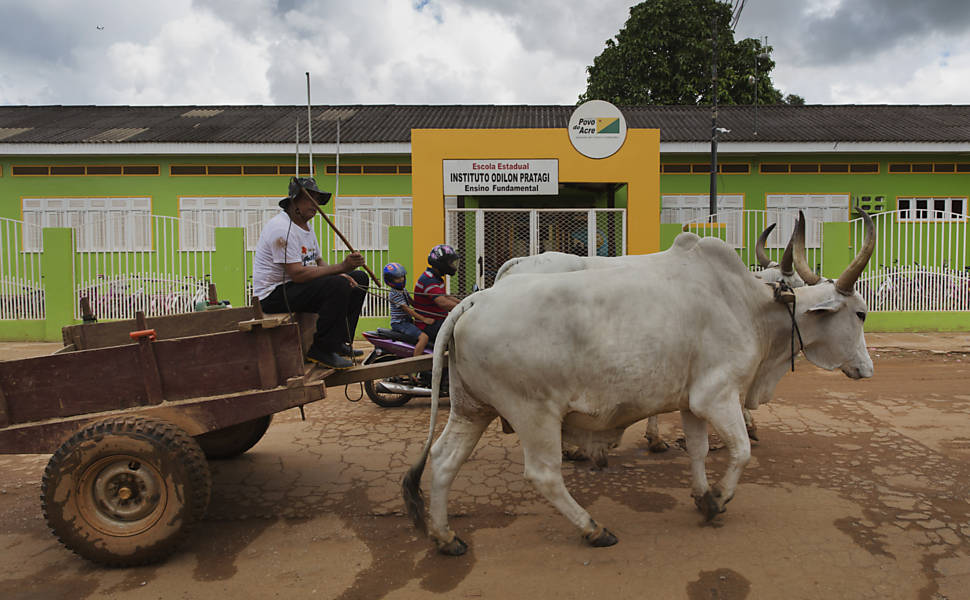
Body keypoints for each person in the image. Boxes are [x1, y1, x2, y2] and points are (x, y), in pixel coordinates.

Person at [253, 176, 367, 370]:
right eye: (310, 199)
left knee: (358, 280)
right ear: (294, 201)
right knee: (338, 284)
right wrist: (340, 268)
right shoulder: (282, 229)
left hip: (296, 287)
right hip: (274, 294)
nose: (316, 205)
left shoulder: (306, 227)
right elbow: (297, 274)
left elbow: (319, 261)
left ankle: (339, 342)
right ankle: (321, 350)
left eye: (318, 201)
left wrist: (342, 272)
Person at [412, 244, 461, 355]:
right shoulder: (428, 279)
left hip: (436, 321)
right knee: (461, 333)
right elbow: (443, 303)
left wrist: (466, 303)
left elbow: (446, 297)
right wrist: (463, 308)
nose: (452, 265)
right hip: (429, 325)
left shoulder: (435, 277)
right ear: (441, 264)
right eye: (450, 262)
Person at [382, 262, 434, 356]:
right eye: (397, 278)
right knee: (424, 338)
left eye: (402, 276)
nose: (401, 279)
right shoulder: (394, 293)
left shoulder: (403, 290)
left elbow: (413, 303)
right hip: (400, 323)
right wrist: (424, 319)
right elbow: (407, 309)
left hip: (407, 321)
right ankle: (415, 364)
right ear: (389, 280)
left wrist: (428, 309)